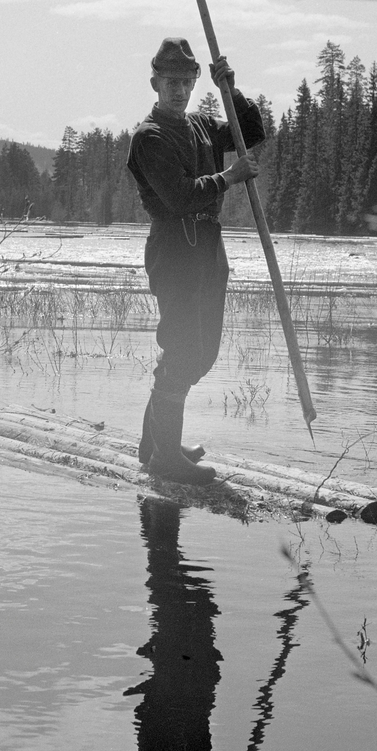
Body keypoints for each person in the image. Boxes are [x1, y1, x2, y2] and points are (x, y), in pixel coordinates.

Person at [127, 37, 263, 486]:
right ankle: (166, 457)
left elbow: (251, 133)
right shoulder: (150, 137)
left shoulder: (202, 126)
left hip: (207, 246)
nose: (179, 90)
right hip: (174, 246)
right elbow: (180, 196)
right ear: (155, 83)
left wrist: (232, 89)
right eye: (171, 82)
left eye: (186, 81)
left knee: (200, 353)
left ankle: (156, 444)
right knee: (184, 348)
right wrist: (230, 176)